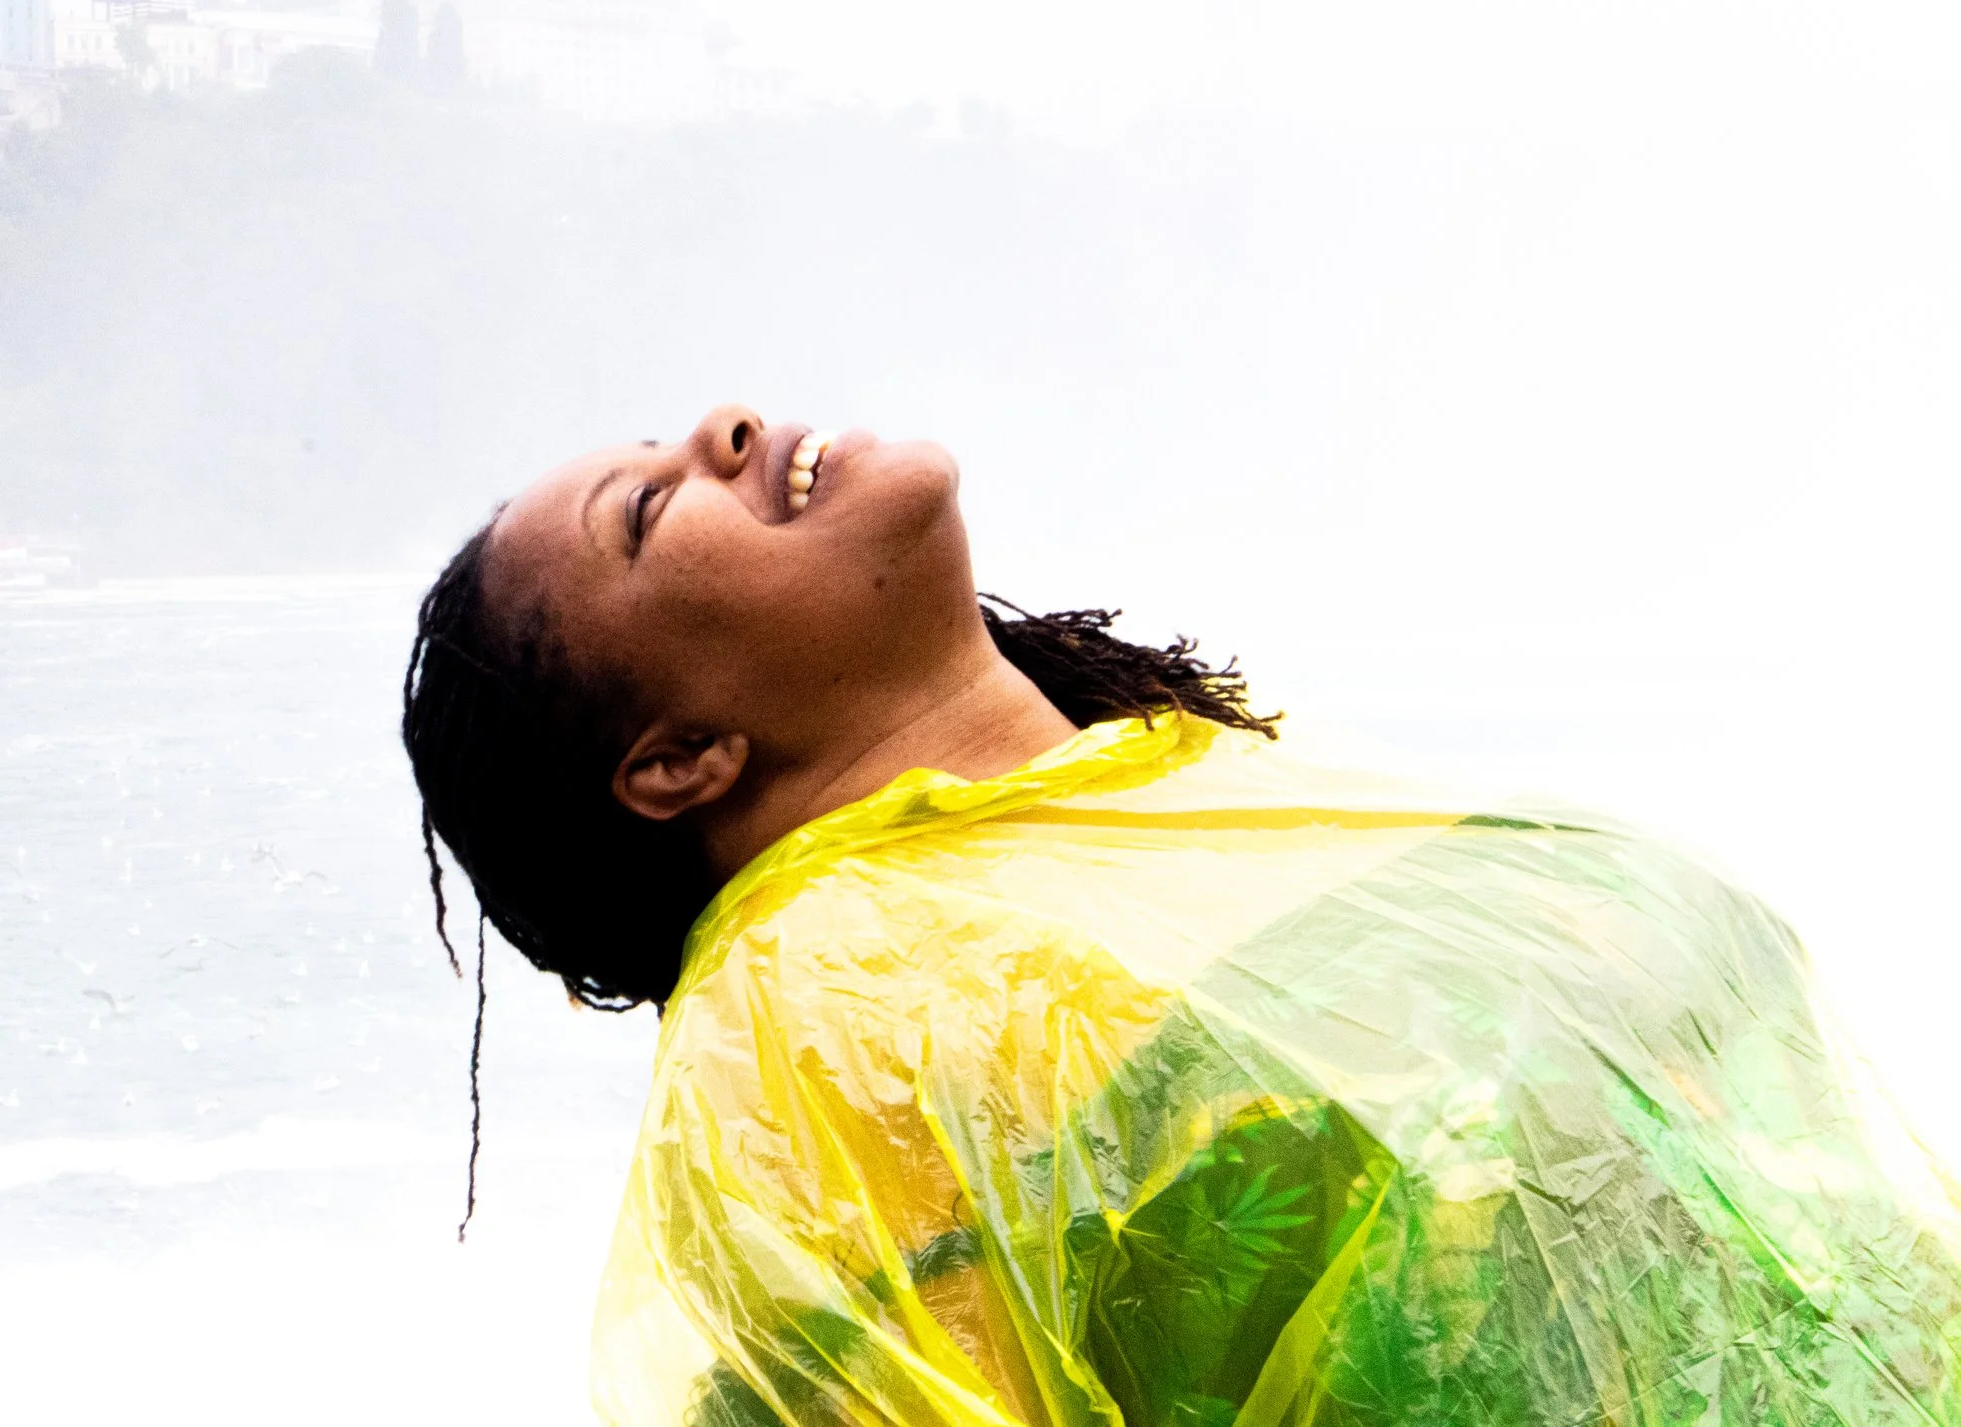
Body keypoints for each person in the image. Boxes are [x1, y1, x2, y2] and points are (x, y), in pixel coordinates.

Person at [403, 404, 1961, 1427]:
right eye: (651, 511)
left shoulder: (1230, 780)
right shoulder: (807, 1037)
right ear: (679, 760)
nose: (726, 427)